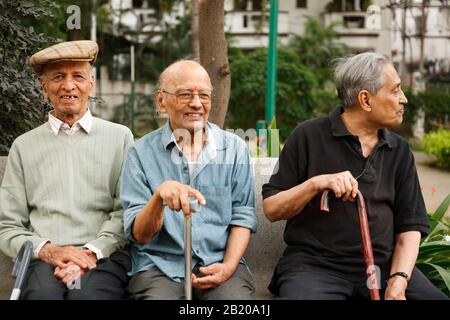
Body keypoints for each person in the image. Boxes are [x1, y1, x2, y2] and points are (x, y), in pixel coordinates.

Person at [262, 52, 448, 300]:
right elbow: (272, 209)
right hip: (316, 270)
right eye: (395, 90)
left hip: (382, 269)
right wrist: (316, 183)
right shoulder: (307, 136)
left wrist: (399, 279)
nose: (403, 99)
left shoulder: (400, 150)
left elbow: (410, 227)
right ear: (365, 99)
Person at [0, 40, 134, 300]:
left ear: (91, 83)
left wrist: (88, 253)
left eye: (78, 77)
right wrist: (52, 252)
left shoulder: (120, 138)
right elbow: (8, 226)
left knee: (86, 297)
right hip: (44, 259)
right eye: (58, 77)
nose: (69, 86)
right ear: (44, 87)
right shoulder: (24, 146)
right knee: (42, 297)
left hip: (103, 256)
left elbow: (125, 213)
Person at [120, 60, 256, 300]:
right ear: (161, 101)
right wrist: (159, 196)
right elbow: (139, 234)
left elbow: (242, 216)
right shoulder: (139, 153)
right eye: (185, 95)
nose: (196, 103)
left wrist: (229, 266)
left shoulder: (234, 148)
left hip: (219, 262)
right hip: (160, 268)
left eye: (204, 95)